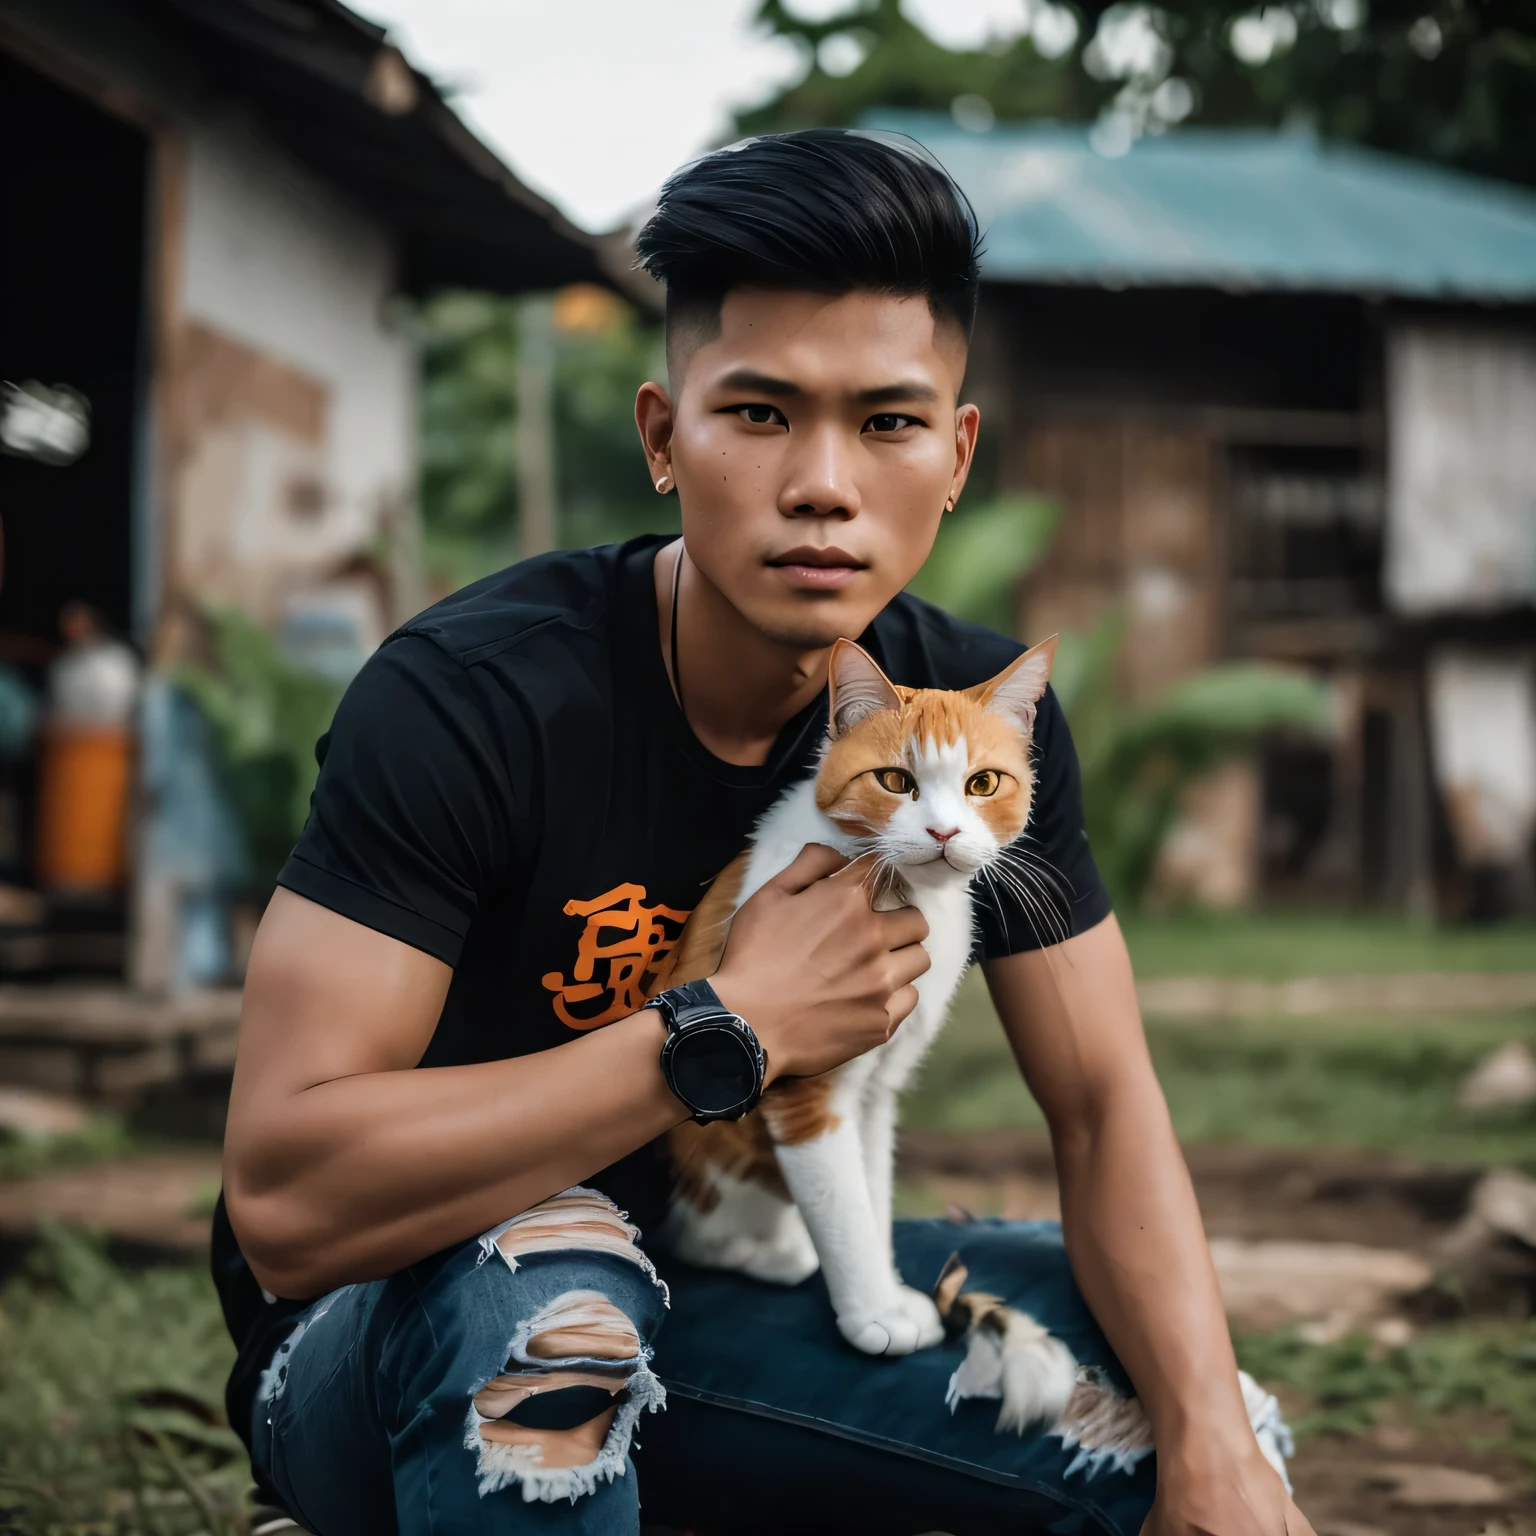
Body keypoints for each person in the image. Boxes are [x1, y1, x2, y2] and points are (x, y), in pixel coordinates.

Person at [216, 129, 1313, 1536]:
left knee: (1178, 1392)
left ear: (959, 454)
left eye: (889, 422)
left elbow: (1103, 1114)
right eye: (759, 414)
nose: (824, 485)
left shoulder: (970, 729)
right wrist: (722, 1028)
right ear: (664, 437)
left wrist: (1214, 1448)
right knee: (560, 1299)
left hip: (726, 1303)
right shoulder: (470, 698)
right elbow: (287, 1201)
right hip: (397, 1329)